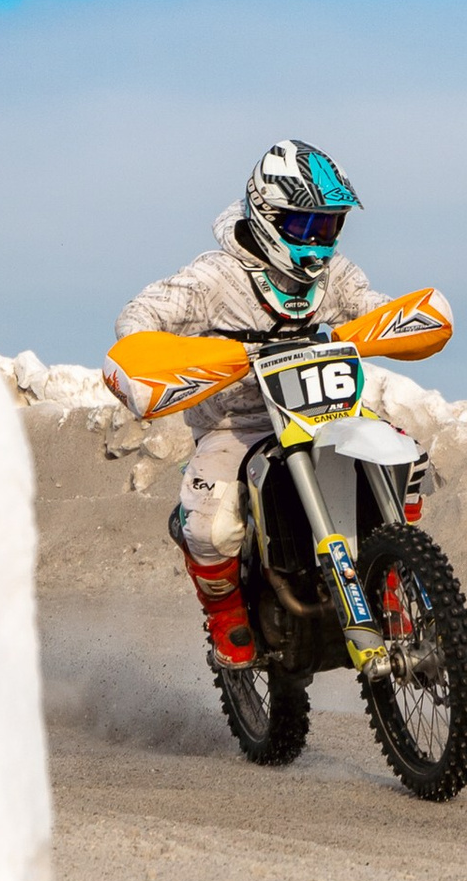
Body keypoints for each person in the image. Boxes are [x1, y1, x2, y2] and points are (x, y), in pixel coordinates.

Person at [112, 140, 371, 666]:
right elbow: (139, 317)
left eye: (329, 227)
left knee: (406, 461)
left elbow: (370, 306)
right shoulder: (214, 277)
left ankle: (393, 580)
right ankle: (226, 616)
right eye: (304, 227)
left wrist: (397, 322)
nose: (319, 242)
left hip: (324, 408)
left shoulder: (335, 274)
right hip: (237, 423)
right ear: (267, 214)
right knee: (211, 528)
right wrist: (170, 357)